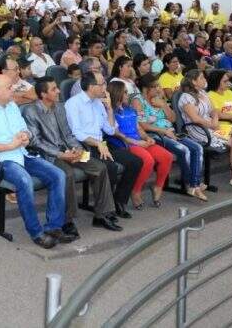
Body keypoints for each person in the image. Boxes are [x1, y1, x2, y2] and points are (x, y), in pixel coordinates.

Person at [0, 75, 72, 248]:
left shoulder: (11, 106)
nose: (14, 90)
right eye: (10, 87)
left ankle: (54, 227)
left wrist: (26, 135)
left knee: (58, 175)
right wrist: (11, 145)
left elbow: (24, 128)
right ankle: (36, 233)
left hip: (19, 153)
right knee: (24, 180)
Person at [24, 77, 122, 233]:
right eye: (54, 89)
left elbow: (69, 134)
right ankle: (66, 220)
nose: (58, 91)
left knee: (99, 167)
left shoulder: (59, 108)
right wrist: (61, 154)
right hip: (50, 156)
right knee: (67, 174)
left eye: (57, 87)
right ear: (43, 94)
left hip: (70, 151)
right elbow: (35, 142)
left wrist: (77, 149)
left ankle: (101, 215)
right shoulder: (31, 111)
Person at [65, 72, 142, 217]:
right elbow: (76, 133)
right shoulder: (73, 103)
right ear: (91, 86)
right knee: (110, 167)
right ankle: (107, 209)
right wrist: (97, 143)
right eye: (102, 84)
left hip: (102, 145)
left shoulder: (99, 103)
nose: (105, 88)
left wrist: (109, 109)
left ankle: (119, 201)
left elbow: (110, 129)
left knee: (135, 162)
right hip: (84, 147)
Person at [177, 70, 232, 190]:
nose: (205, 80)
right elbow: (195, 119)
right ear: (194, 82)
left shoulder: (202, 93)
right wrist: (211, 123)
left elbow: (213, 110)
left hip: (211, 127)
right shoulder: (186, 97)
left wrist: (214, 119)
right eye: (202, 78)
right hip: (198, 130)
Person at [106, 80, 173, 209]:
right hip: (125, 144)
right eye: (125, 92)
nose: (128, 95)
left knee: (166, 156)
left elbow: (138, 128)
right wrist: (137, 142)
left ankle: (158, 186)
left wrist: (147, 138)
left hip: (138, 140)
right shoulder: (111, 112)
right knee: (147, 160)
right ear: (117, 94)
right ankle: (135, 191)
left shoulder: (130, 109)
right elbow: (115, 132)